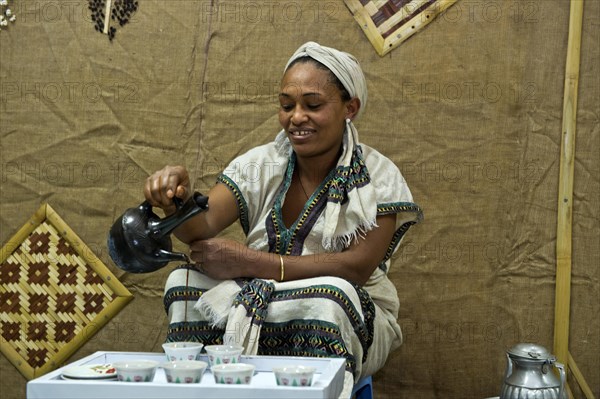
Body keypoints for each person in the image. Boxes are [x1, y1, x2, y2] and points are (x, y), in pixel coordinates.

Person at [144, 41, 422, 394]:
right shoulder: (260, 165)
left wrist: (248, 261)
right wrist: (174, 201)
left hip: (343, 310)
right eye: (286, 105)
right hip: (266, 303)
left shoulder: (378, 176)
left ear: (350, 107)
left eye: (313, 105)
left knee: (329, 297)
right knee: (183, 286)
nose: (296, 117)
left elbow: (355, 269)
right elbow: (201, 226)